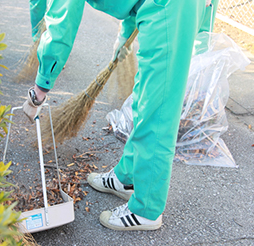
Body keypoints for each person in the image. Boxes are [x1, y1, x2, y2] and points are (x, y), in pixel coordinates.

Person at [22, 0, 219, 230]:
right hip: (158, 6)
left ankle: (146, 210)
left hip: (171, 7)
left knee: (157, 109)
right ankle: (128, 177)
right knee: (145, 97)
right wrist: (125, 36)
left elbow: (61, 25)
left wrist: (40, 88)